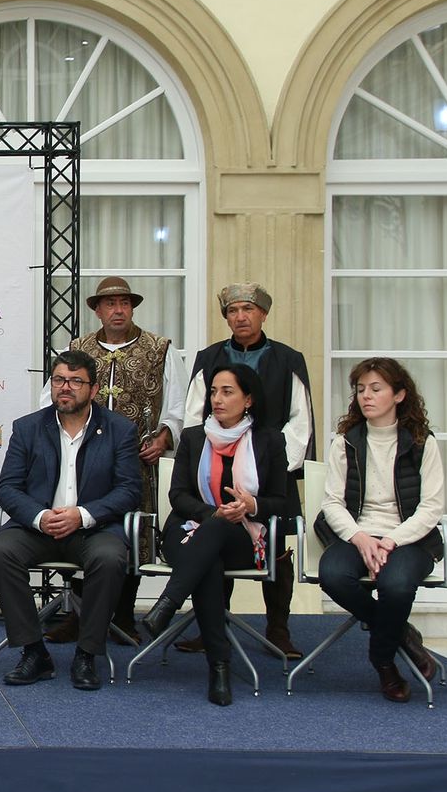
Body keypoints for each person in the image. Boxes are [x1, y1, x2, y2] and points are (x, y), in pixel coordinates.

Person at [39, 276, 185, 643]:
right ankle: (79, 614)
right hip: (82, 459)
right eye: (110, 304)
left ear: (132, 307)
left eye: (124, 303)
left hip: (137, 461)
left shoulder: (159, 349)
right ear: (97, 310)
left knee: (131, 534)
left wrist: (165, 435)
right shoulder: (78, 347)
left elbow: (180, 404)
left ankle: (122, 615)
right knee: (76, 528)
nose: (118, 310)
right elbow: (49, 399)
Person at [0, 349, 140, 691]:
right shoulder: (28, 428)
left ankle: (87, 654)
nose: (65, 388)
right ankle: (33, 650)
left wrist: (82, 515)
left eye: (74, 381)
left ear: (94, 389)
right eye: (58, 380)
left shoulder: (120, 430)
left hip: (93, 528)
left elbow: (129, 490)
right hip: (39, 527)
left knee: (110, 558)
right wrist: (40, 517)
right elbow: (7, 488)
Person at [140, 364, 292, 706]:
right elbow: (177, 496)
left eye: (227, 392)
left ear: (248, 399)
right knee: (209, 556)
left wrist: (250, 504)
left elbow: (281, 501)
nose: (217, 399)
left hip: (245, 536)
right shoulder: (194, 437)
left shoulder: (269, 441)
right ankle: (219, 667)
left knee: (212, 546)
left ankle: (169, 602)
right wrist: (213, 514)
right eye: (213, 392)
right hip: (190, 528)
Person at [182, 282, 313, 658]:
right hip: (215, 469)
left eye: (248, 310)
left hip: (270, 474)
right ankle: (212, 626)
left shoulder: (289, 359)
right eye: (233, 311)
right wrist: (201, 459)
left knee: (277, 548)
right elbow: (194, 416)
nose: (240, 317)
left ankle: (279, 630)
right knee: (213, 539)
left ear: (263, 315)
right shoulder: (209, 358)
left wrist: (270, 465)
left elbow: (299, 421)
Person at [315, 358, 445, 703]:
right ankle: (400, 634)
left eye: (376, 389)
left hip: (408, 538)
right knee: (333, 575)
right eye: (360, 390)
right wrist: (360, 538)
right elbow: (331, 503)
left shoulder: (421, 442)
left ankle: (383, 661)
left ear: (399, 394)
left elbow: (431, 507)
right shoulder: (346, 441)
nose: (365, 397)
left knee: (396, 584)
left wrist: (390, 540)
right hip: (356, 533)